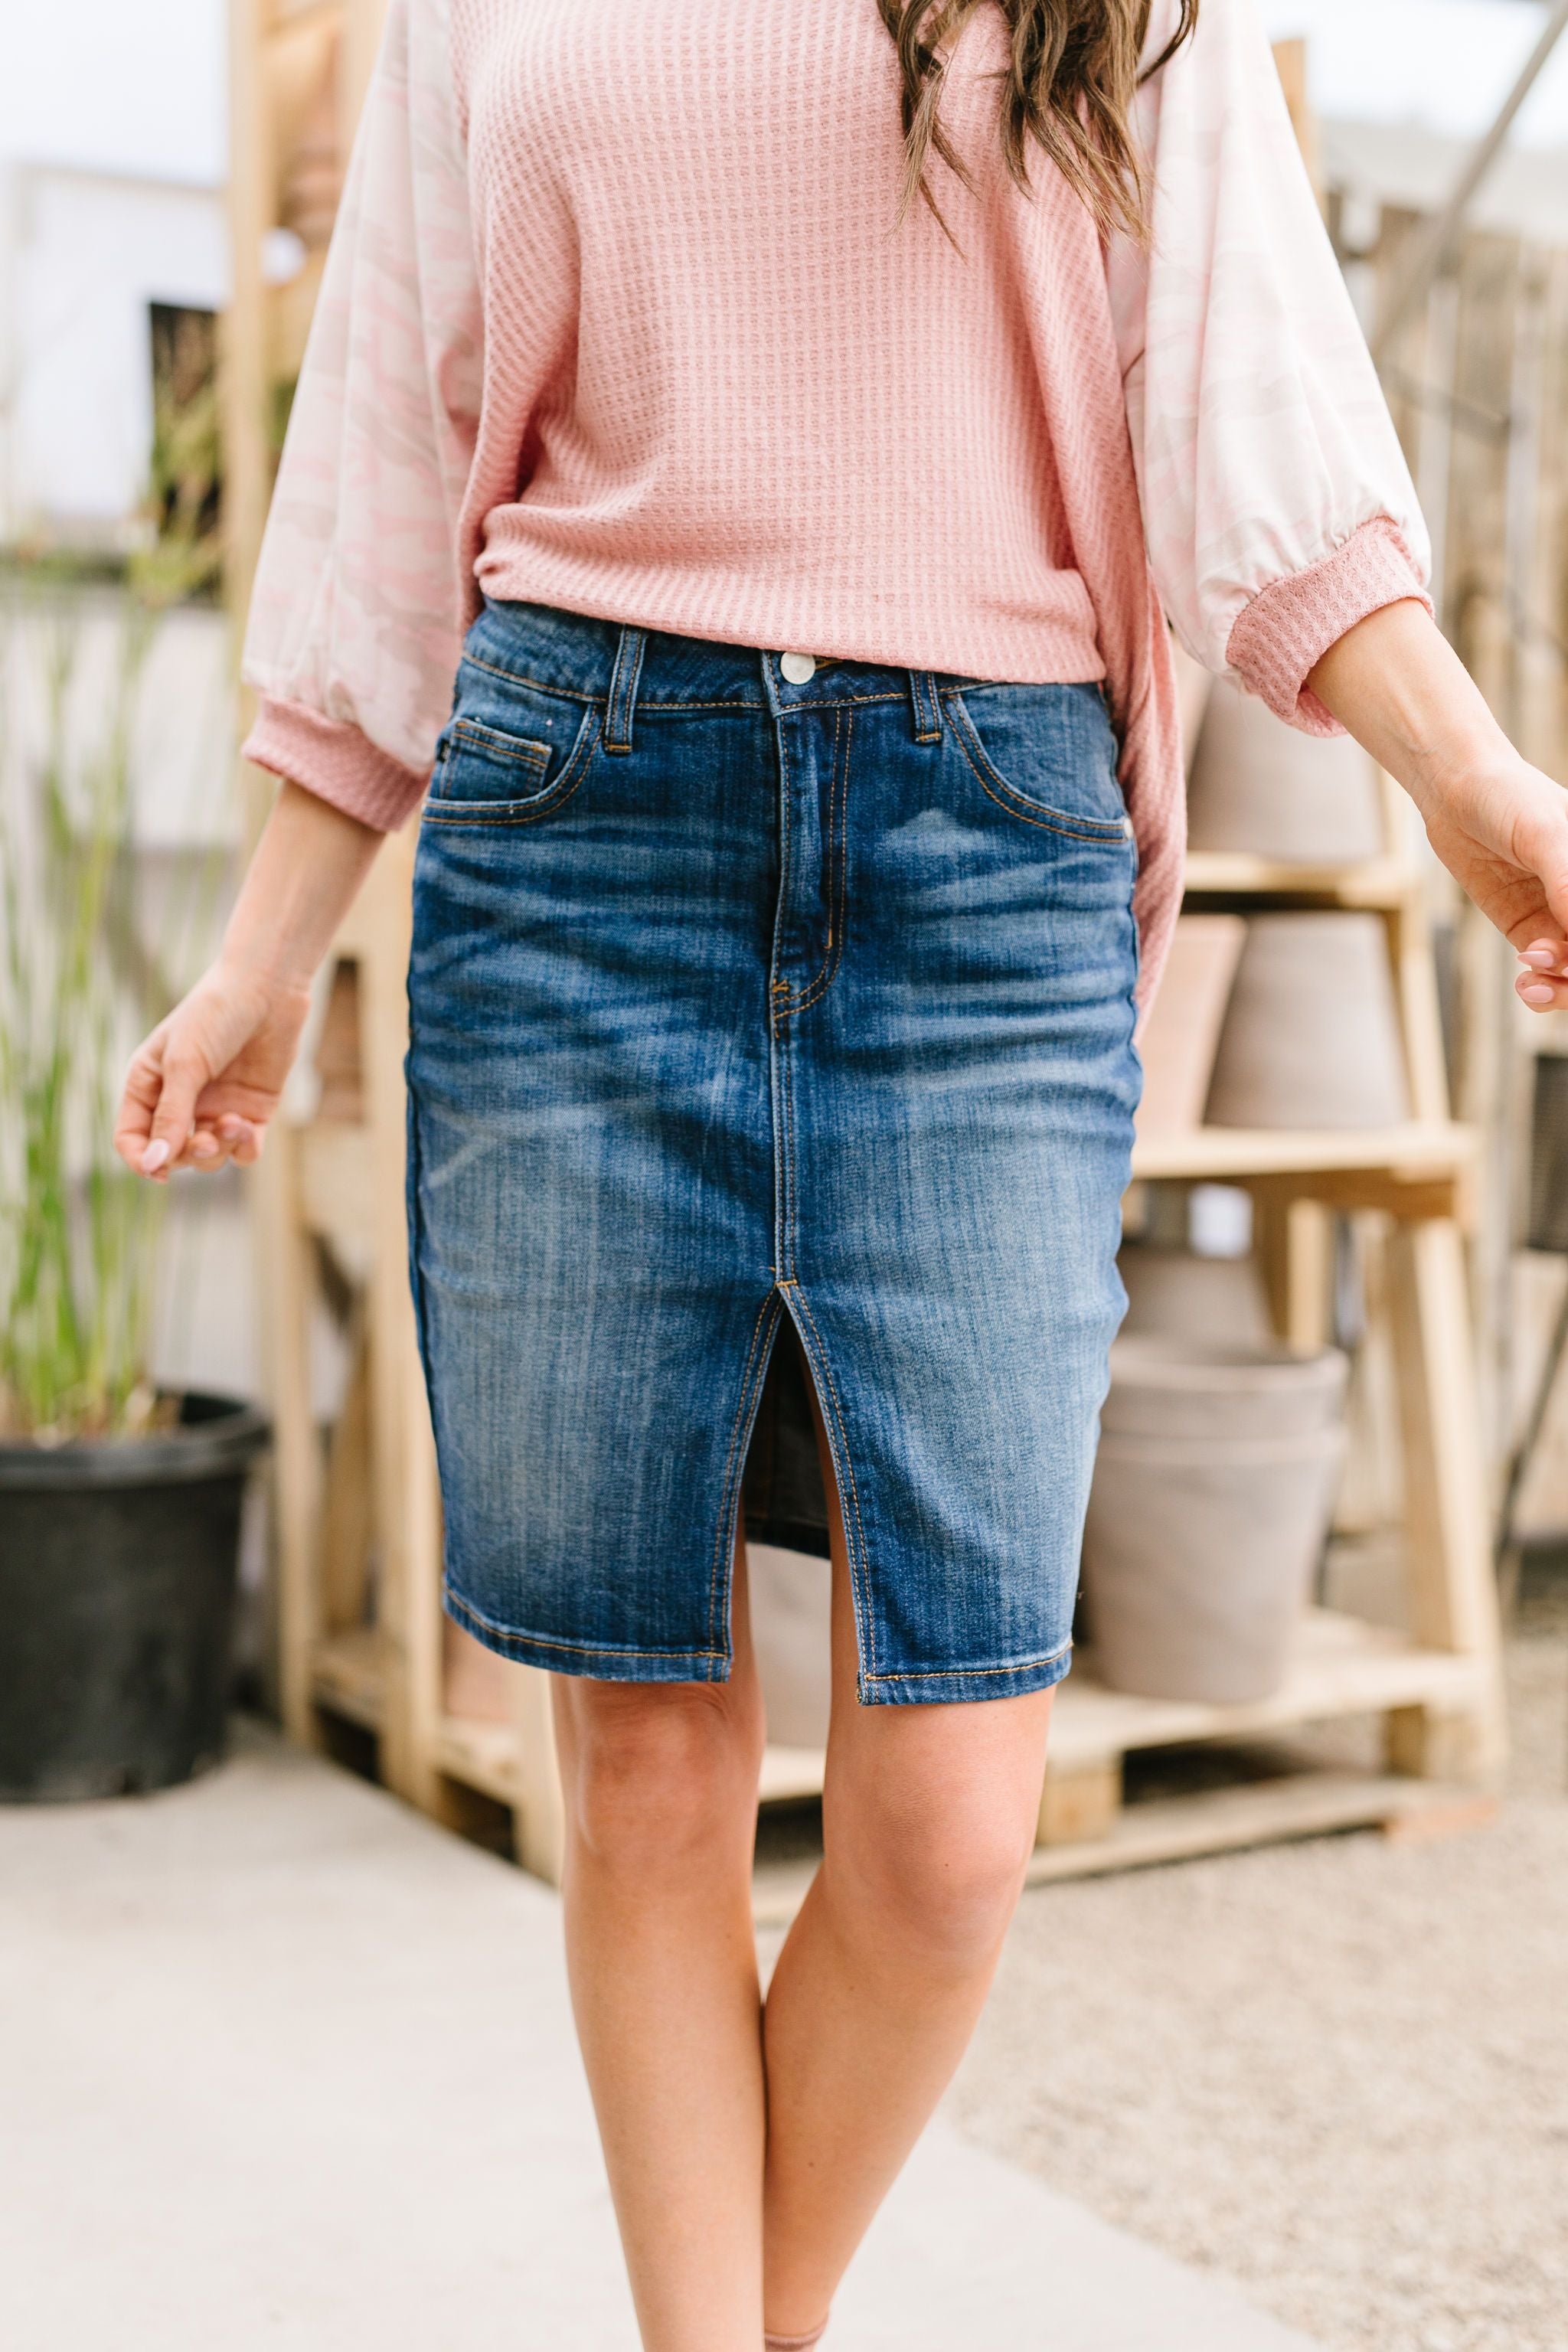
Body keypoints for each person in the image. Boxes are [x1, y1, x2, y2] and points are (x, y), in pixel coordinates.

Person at [116, 0, 1568, 2342]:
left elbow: (1253, 400)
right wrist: (272, 951)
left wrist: (1478, 782)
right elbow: (391, 438)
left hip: (982, 861)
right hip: (578, 820)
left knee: (953, 1825)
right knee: (659, 1765)